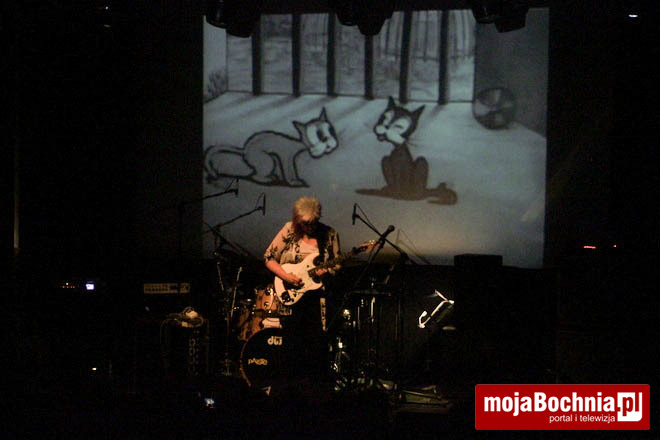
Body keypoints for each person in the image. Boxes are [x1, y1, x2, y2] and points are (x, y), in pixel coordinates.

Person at [264, 196, 340, 381]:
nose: (310, 227)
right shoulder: (289, 230)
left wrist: (327, 272)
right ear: (298, 220)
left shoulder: (329, 234)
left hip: (316, 299)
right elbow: (268, 258)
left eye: (314, 222)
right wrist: (286, 276)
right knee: (291, 345)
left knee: (315, 347)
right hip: (290, 295)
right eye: (306, 223)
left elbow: (337, 265)